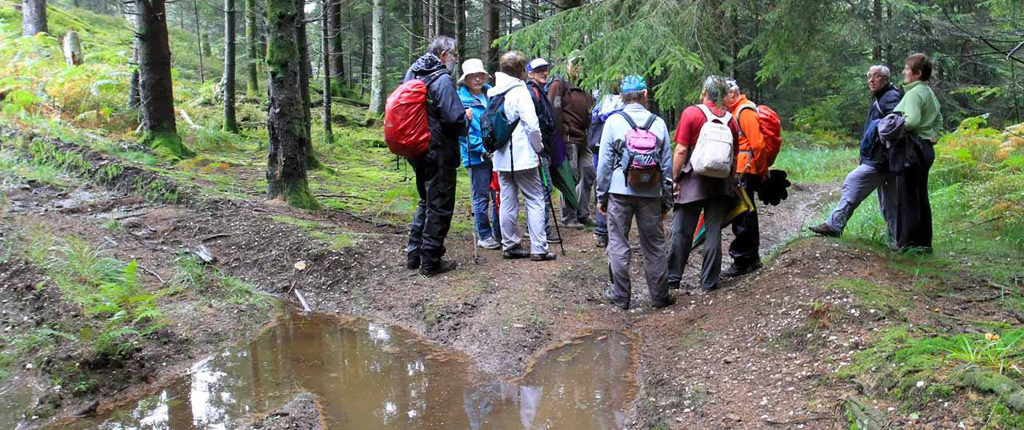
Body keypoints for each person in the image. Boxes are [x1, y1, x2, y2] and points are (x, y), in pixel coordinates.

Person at [596, 75, 675, 310]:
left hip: (619, 192)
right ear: (645, 95)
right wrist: (666, 200)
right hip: (651, 193)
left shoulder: (613, 122)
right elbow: (667, 166)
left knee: (618, 243)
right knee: (654, 245)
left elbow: (604, 164)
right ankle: (660, 296)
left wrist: (602, 196)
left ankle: (620, 296)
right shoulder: (658, 123)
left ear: (622, 97)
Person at [809, 65, 902, 240]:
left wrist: (878, 139)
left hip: (881, 160)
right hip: (887, 160)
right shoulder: (883, 96)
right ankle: (897, 242)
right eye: (869, 77)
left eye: (876, 76)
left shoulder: (890, 97)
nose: (871, 80)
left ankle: (834, 225)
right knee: (890, 204)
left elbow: (895, 123)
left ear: (885, 79)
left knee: (853, 181)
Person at [667, 76, 739, 293]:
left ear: (704, 92)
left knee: (682, 231)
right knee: (713, 231)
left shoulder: (691, 113)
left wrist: (674, 179)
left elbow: (681, 150)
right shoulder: (730, 120)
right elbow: (733, 157)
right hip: (720, 184)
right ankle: (708, 282)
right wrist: (731, 180)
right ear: (723, 96)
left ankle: (672, 279)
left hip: (692, 182)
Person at [402, 36, 467, 277]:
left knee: (425, 201)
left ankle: (414, 254)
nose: (456, 59)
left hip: (417, 148)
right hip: (438, 151)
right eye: (454, 55)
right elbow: (453, 117)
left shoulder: (414, 73)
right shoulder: (440, 79)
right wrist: (466, 117)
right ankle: (430, 261)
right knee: (439, 205)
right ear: (443, 55)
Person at [489, 51, 556, 261]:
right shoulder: (520, 92)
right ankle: (539, 248)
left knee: (508, 200)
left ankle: (510, 244)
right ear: (521, 70)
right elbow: (532, 126)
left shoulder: (494, 92)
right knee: (535, 199)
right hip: (523, 156)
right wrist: (539, 149)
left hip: (501, 156)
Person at [891, 53, 942, 251]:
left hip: (913, 149)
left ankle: (907, 243)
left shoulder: (914, 93)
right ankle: (924, 243)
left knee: (907, 196)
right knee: (920, 195)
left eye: (907, 68)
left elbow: (911, 121)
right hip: (926, 149)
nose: (904, 72)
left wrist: (894, 127)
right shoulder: (928, 92)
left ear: (917, 73)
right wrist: (934, 134)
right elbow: (939, 119)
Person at [720, 79, 766, 278]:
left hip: (745, 171)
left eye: (723, 95)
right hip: (742, 170)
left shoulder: (744, 112)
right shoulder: (737, 111)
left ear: (732, 94)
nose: (721, 100)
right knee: (747, 213)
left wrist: (763, 172)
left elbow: (758, 144)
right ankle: (752, 258)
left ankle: (742, 260)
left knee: (743, 215)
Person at [457, 58, 501, 250]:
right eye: (472, 76)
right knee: (481, 196)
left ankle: (500, 232)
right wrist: (483, 150)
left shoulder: (493, 94)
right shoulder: (460, 100)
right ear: (465, 80)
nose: (477, 79)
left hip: (497, 153)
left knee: (498, 194)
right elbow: (463, 134)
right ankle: (484, 234)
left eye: (480, 75)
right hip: (476, 157)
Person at [548, 52, 595, 229]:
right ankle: (568, 216)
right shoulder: (559, 85)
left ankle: (583, 213)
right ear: (567, 66)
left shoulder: (584, 87)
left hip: (583, 138)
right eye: (575, 64)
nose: (578, 67)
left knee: (589, 173)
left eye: (581, 64)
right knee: (571, 176)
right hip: (567, 139)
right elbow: (554, 110)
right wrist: (557, 139)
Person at [526, 58, 562, 244]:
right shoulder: (532, 93)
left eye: (546, 70)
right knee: (543, 189)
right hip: (538, 149)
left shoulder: (540, 91)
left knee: (542, 189)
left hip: (543, 148)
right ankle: (542, 230)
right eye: (539, 70)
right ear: (530, 74)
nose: (544, 73)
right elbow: (534, 125)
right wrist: (539, 150)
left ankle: (535, 228)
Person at [588, 83, 624, 248]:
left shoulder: (600, 103)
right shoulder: (626, 105)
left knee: (602, 190)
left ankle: (602, 231)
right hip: (621, 155)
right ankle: (617, 231)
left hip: (600, 152)